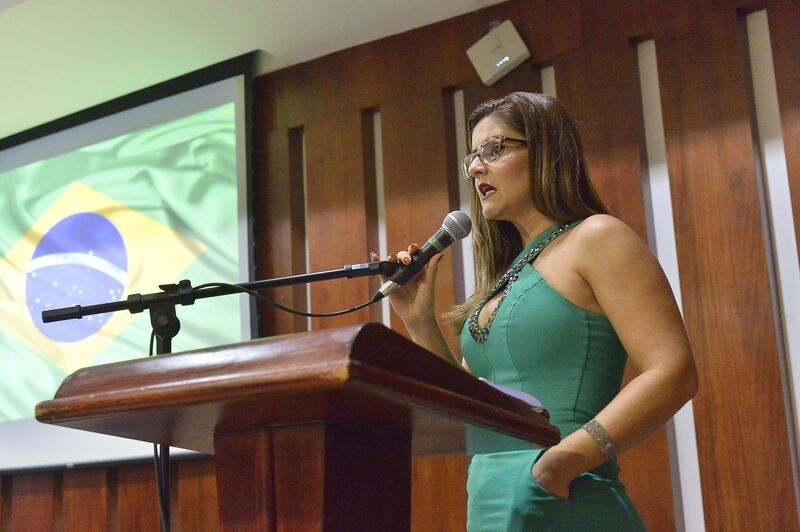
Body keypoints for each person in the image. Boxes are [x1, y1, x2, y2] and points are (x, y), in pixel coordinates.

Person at [370, 92, 698, 531]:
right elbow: (468, 407)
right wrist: (418, 320)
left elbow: (673, 371)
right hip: (492, 507)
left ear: (545, 152)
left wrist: (562, 462)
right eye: (473, 157)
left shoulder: (597, 237)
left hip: (565, 498)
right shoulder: (508, 274)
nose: (475, 168)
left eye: (494, 149)